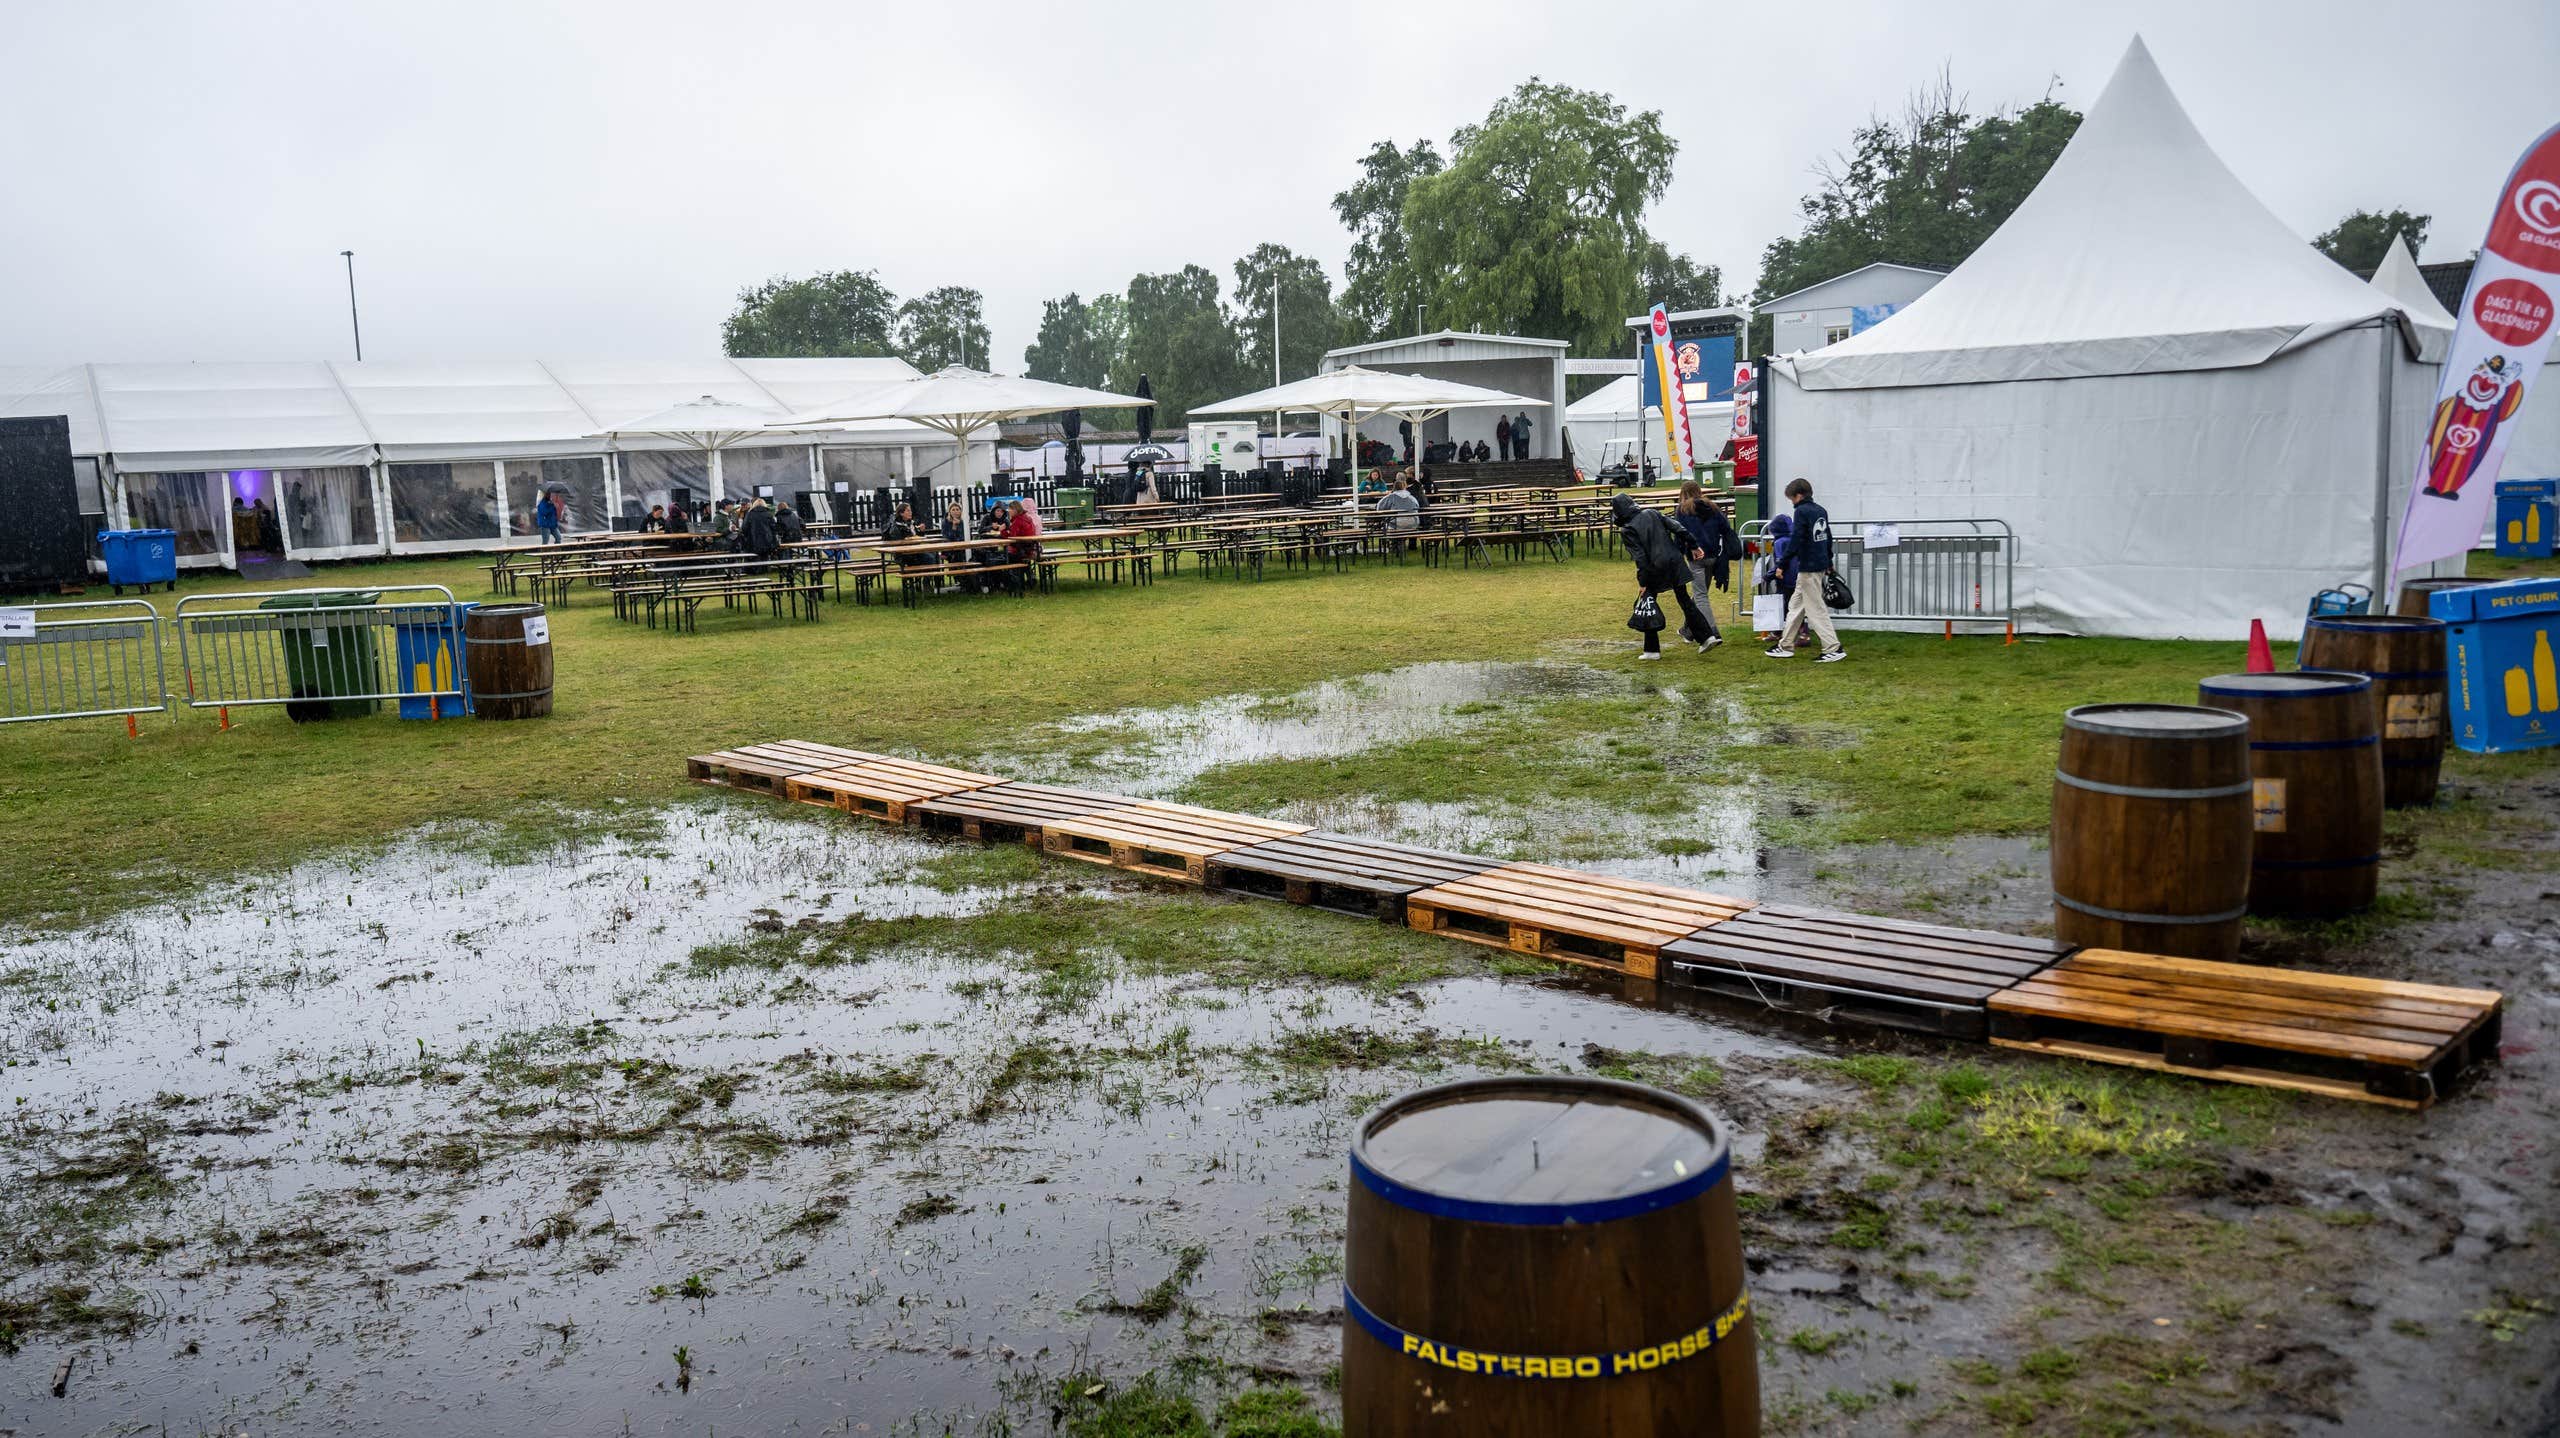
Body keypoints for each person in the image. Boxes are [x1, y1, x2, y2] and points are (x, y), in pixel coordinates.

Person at [1610, 494, 1714, 661]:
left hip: (1654, 568)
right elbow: (1678, 528)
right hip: (1674, 560)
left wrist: (1642, 582)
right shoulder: (1652, 513)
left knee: (1648, 604)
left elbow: (1640, 558)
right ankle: (1707, 637)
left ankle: (1652, 650)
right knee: (1685, 600)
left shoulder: (1627, 530)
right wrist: (1693, 545)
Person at [1767, 478, 1845, 662]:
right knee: (1795, 607)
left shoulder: (1801, 511)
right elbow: (1827, 537)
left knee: (1815, 609)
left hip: (1808, 566)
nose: (1792, 503)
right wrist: (1829, 560)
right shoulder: (1820, 510)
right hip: (1818, 563)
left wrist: (1782, 563)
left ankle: (1833, 647)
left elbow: (1797, 539)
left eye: (1792, 498)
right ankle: (1785, 645)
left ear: (1799, 495)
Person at [1672, 481, 1733, 651]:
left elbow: (1680, 532)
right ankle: (1688, 630)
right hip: (1713, 556)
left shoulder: (1683, 509)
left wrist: (1677, 553)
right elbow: (1725, 528)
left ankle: (1712, 632)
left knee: (1700, 596)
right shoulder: (1712, 507)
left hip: (1695, 555)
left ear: (1683, 493)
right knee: (1701, 593)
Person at [1003, 497, 1040, 595]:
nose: (1008, 511)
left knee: (1004, 557)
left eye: (1010, 509)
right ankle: (1028, 579)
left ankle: (1013, 585)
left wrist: (1002, 530)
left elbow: (1012, 539)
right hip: (1030, 549)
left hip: (1020, 551)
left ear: (1015, 510)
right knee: (1016, 558)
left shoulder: (1017, 521)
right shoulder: (1028, 518)